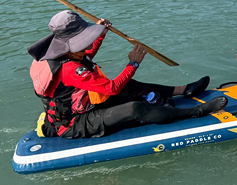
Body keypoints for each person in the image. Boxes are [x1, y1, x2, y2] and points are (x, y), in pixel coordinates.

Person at [28, 10, 227, 139]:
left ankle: (185, 90)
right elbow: (111, 89)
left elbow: (85, 56)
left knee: (130, 85)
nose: (89, 38)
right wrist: (133, 64)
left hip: (84, 105)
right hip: (75, 123)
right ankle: (197, 112)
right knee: (134, 108)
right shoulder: (70, 69)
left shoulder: (67, 55)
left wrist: (101, 34)